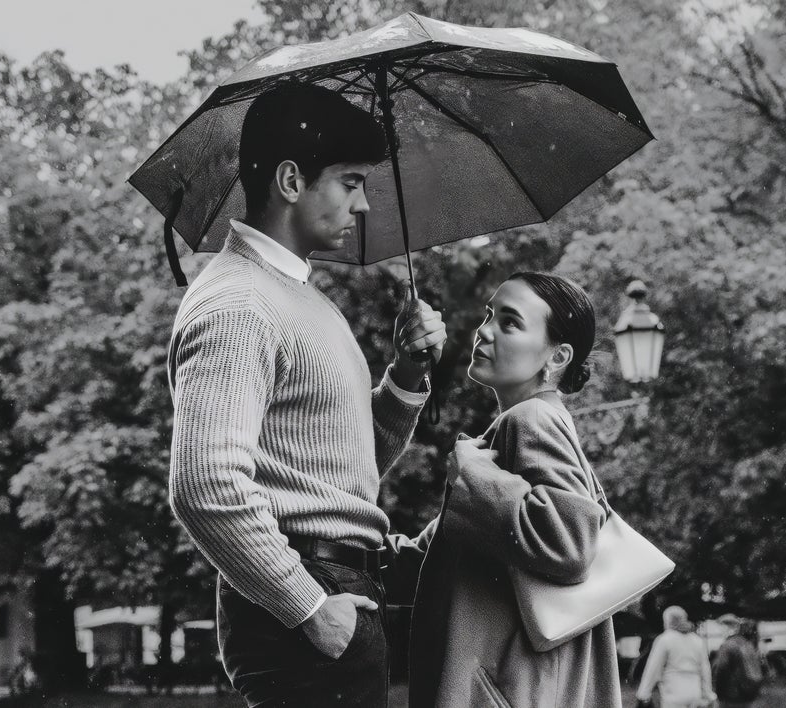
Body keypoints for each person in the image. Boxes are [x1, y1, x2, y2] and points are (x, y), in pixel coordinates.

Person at [166, 83, 447, 707]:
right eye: (350, 182)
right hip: (309, 599)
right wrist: (310, 607)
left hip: (340, 589)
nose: (364, 204)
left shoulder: (299, 297)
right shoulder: (240, 303)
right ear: (291, 181)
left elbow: (342, 467)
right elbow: (204, 484)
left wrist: (406, 373)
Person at [408, 272, 621, 708]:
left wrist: (472, 474)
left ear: (557, 356)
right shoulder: (509, 435)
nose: (484, 330)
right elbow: (428, 558)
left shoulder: (531, 419)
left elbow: (570, 543)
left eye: (509, 322)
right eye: (490, 315)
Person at [635, 605, 716, 708]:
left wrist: (644, 693)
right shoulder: (697, 641)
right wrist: (708, 693)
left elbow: (654, 667)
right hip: (694, 692)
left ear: (668, 621)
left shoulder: (665, 639)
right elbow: (705, 669)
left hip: (673, 692)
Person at [713, 614, 764, 707]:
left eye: (720, 628)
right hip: (748, 693)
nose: (719, 631)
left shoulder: (727, 645)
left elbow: (721, 670)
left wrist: (718, 695)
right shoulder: (747, 643)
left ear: (726, 628)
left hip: (731, 695)